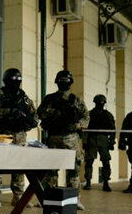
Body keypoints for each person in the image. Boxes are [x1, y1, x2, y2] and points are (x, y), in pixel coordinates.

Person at [37, 70, 89, 211]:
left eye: (66, 80)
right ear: (57, 82)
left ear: (70, 83)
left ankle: (75, 199)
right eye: (62, 80)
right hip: (53, 137)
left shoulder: (76, 100)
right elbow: (40, 113)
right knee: (51, 170)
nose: (64, 83)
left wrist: (77, 125)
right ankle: (49, 197)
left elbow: (86, 118)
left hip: (71, 138)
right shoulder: (49, 99)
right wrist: (54, 111)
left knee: (74, 170)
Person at [0, 68, 37, 208]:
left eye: (17, 81)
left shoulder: (24, 97)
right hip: (2, 134)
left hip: (20, 135)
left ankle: (18, 196)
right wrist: (9, 112)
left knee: (20, 166)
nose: (15, 83)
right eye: (12, 81)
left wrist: (28, 121)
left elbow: (34, 116)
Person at [82, 94, 116, 191]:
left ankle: (106, 182)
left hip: (104, 139)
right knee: (89, 161)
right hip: (91, 139)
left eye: (102, 102)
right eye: (99, 102)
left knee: (106, 162)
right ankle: (88, 181)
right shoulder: (90, 114)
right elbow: (85, 128)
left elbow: (113, 129)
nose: (100, 104)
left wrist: (112, 142)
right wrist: (84, 141)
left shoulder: (108, 115)